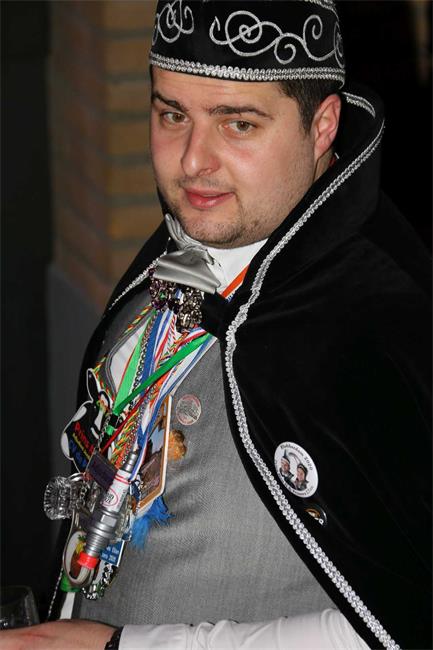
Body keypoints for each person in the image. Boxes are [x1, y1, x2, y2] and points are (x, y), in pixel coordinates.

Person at [3, 1, 431, 649]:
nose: (193, 161)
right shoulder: (182, 251)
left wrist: (125, 647)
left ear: (322, 126)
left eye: (238, 124)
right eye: (172, 115)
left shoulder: (380, 322)